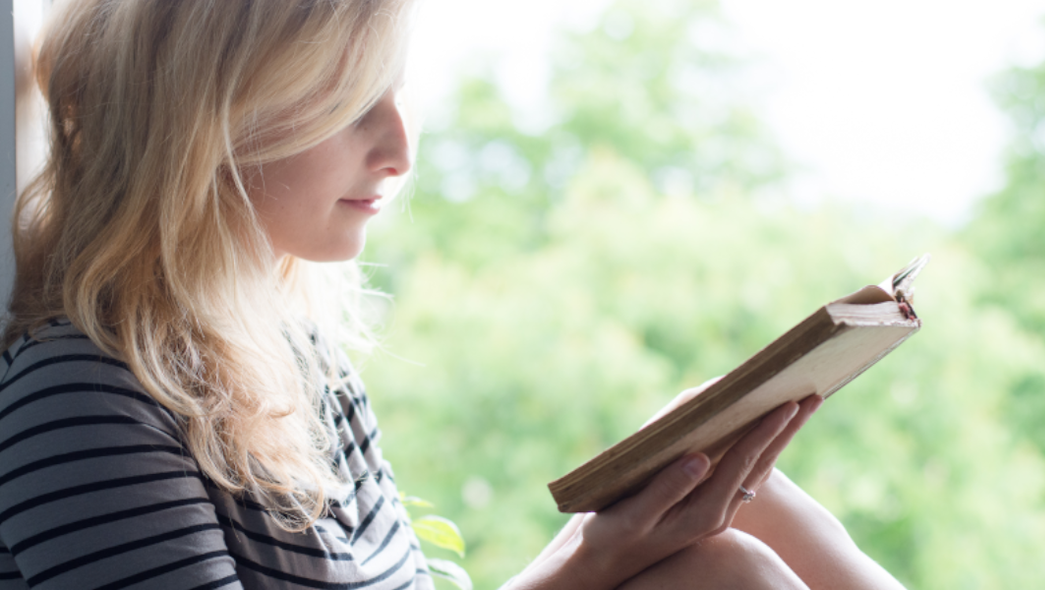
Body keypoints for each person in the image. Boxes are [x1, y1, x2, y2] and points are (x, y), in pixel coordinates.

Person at [0, 0, 907, 588]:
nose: (401, 148)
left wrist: (606, 549)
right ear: (205, 121)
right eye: (348, 101)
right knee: (725, 577)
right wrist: (590, 563)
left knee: (732, 495)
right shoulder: (79, 397)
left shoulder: (294, 356)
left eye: (396, 93)